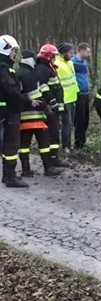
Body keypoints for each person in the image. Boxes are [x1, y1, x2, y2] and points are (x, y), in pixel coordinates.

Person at [16, 50, 63, 177]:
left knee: (24, 145)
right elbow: (35, 94)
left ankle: (26, 170)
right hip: (35, 115)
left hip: (22, 116)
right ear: (30, 60)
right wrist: (46, 108)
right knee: (44, 143)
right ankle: (48, 168)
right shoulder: (29, 74)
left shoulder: (17, 72)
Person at [0, 35, 37, 187]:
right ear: (6, 49)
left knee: (9, 144)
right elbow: (11, 90)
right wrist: (25, 98)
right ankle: (10, 177)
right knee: (12, 144)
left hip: (9, 111)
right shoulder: (3, 68)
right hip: (9, 112)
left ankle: (7, 175)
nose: (15, 55)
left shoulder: (5, 67)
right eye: (13, 51)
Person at [35, 43, 70, 168]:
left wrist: (59, 106)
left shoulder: (48, 68)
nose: (55, 58)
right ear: (48, 56)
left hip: (55, 108)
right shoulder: (42, 69)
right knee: (52, 133)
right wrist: (52, 102)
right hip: (50, 108)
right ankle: (51, 159)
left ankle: (55, 158)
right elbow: (43, 87)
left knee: (55, 132)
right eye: (54, 56)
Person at [55, 43, 79, 153]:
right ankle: (66, 146)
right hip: (64, 99)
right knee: (66, 124)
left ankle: (69, 144)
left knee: (71, 124)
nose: (72, 54)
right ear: (64, 53)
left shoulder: (69, 62)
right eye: (70, 53)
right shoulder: (57, 64)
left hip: (72, 97)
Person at [71, 42, 91, 149]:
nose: (88, 54)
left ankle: (83, 140)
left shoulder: (84, 62)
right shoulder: (72, 62)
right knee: (80, 119)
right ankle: (78, 143)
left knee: (86, 119)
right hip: (78, 94)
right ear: (81, 51)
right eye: (87, 52)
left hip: (86, 93)